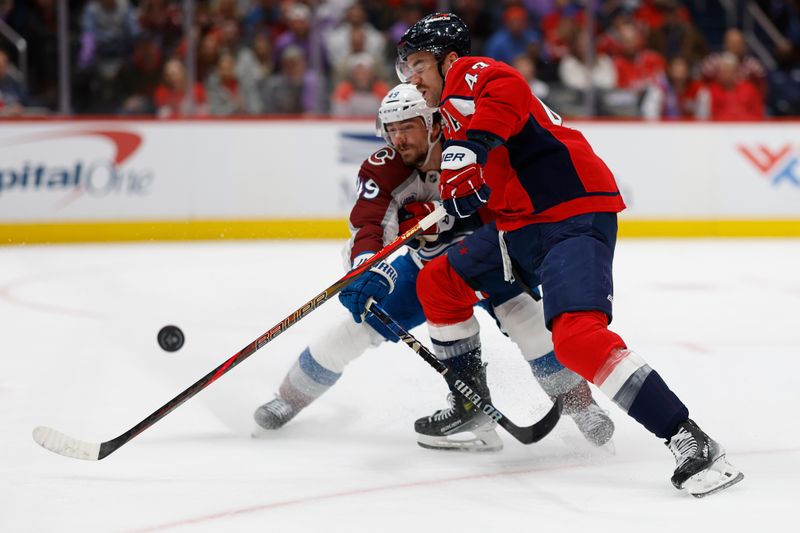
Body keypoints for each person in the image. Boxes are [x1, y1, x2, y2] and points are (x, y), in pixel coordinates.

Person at [395, 13, 742, 496]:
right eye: (405, 67)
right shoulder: (452, 119)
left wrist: (472, 148)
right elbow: (484, 191)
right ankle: (470, 405)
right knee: (439, 281)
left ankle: (689, 438)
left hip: (569, 214)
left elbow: (508, 91)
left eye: (417, 64)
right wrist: (453, 210)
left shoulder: (470, 74)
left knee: (577, 337)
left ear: (448, 59)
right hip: (519, 227)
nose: (411, 78)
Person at [253, 83, 614, 452]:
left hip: (488, 263)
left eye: (407, 126)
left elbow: (507, 213)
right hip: (426, 272)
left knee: (533, 326)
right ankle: (288, 399)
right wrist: (365, 267)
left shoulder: (470, 153)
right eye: (391, 129)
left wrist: (456, 225)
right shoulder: (384, 169)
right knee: (351, 333)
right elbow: (370, 226)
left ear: (434, 124)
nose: (399, 138)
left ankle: (582, 407)